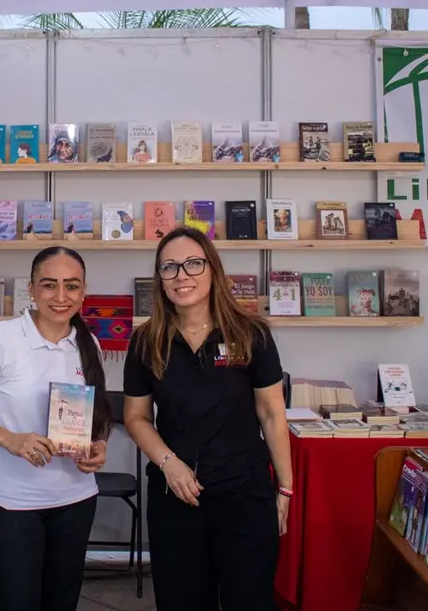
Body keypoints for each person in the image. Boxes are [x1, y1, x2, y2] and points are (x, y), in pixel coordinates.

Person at [123, 226, 294, 611]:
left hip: (245, 497)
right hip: (176, 499)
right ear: (160, 279)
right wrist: (168, 463)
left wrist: (284, 488)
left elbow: (271, 412)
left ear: (213, 269)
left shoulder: (252, 334)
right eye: (169, 267)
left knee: (249, 600)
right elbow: (135, 417)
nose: (181, 275)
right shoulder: (146, 341)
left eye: (193, 263)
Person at [0, 246, 114, 611]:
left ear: (83, 291)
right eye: (49, 285)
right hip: (12, 505)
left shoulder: (90, 345)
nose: (60, 297)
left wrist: (98, 445)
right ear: (32, 289)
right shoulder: (2, 337)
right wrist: (9, 438)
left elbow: (95, 418)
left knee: (62, 603)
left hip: (75, 500)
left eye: (71, 286)